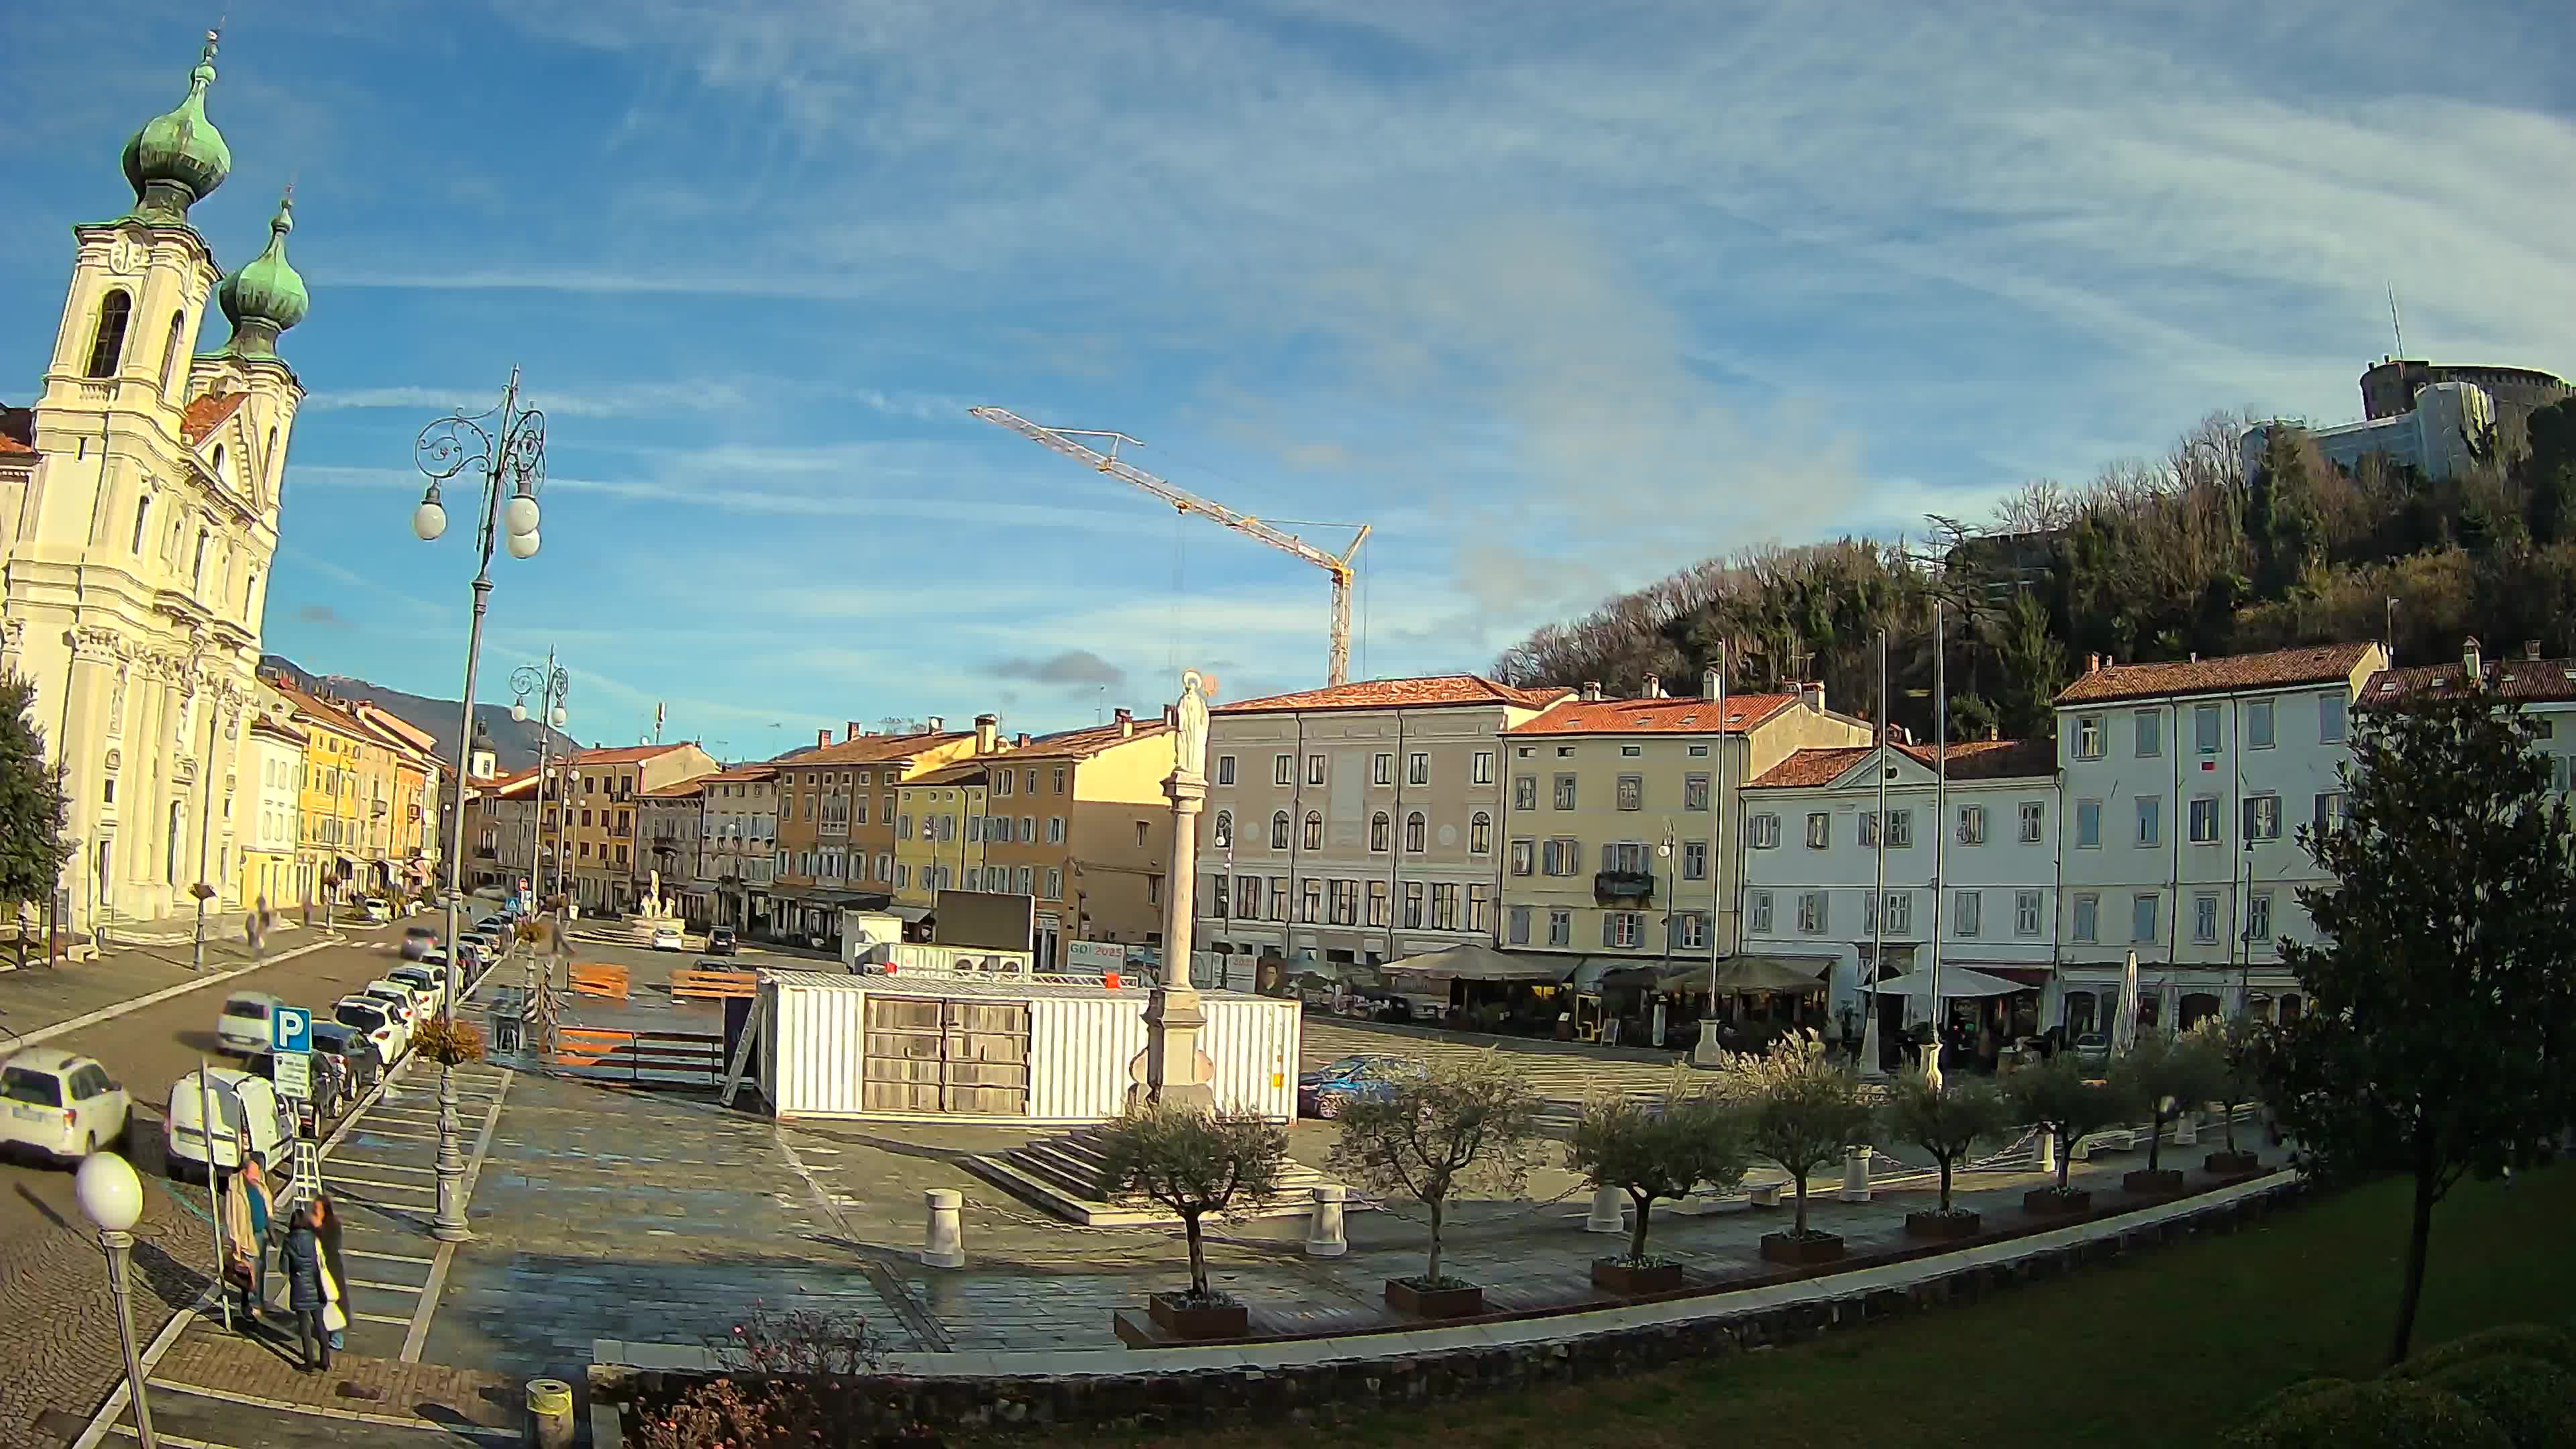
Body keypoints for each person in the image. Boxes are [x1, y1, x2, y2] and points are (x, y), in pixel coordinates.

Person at [221, 1146, 273, 1326]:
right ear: (245, 1170)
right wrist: (236, 1241)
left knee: (260, 1270)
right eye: (254, 1172)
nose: (257, 1176)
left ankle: (258, 1301)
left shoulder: (259, 1181)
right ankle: (250, 1306)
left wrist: (270, 1230)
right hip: (246, 1236)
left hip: (260, 1233)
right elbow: (231, 1216)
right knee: (248, 1272)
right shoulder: (235, 1186)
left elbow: (267, 1206)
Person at [282, 1201, 332, 1372]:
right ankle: (325, 1359)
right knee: (320, 1324)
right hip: (315, 1284)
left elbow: (283, 1268)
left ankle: (309, 1362)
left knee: (304, 1327)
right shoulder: (312, 1239)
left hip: (300, 1288)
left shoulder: (288, 1241)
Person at [311, 1192, 353, 1352]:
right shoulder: (313, 1224)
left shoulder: (333, 1226)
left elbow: (331, 1246)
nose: (315, 1212)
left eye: (318, 1209)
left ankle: (336, 1336)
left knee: (333, 1301)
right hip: (318, 1267)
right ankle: (324, 1330)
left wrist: (319, 1228)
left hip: (331, 1268)